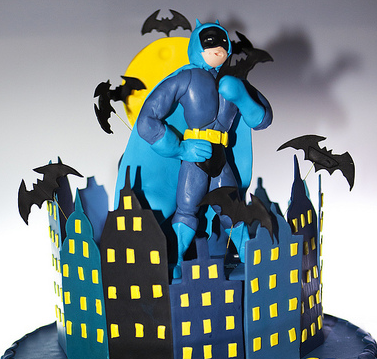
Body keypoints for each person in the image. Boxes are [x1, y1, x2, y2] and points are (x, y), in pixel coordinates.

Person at [116, 20, 272, 277]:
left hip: (221, 157)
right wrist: (179, 148)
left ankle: (249, 256)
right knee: (187, 209)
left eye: (221, 42)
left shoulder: (234, 81)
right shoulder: (186, 78)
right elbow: (147, 120)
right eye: (209, 42)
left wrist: (242, 97)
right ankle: (175, 260)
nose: (217, 48)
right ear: (197, 45)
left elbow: (262, 120)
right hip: (194, 156)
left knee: (231, 210)